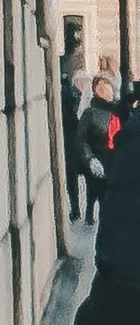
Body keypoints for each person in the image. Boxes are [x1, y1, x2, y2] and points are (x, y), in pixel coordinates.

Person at [64, 53, 94, 224]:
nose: (82, 85)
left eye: (84, 82)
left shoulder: (90, 100)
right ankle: (75, 208)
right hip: (72, 145)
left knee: (92, 180)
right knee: (71, 178)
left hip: (88, 145)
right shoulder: (69, 98)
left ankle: (89, 211)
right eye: (78, 81)